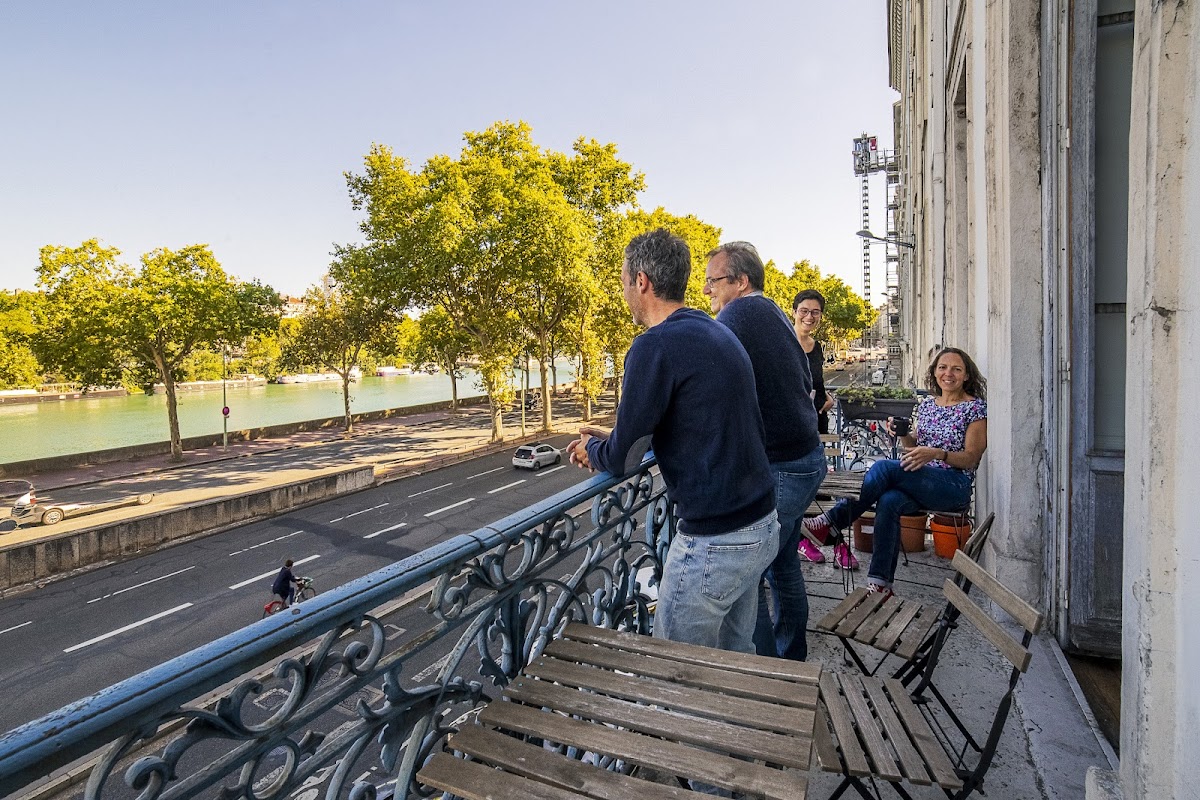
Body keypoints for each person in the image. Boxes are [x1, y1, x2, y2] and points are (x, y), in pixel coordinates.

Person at [567, 228, 778, 654]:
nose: (624, 292)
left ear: (641, 281)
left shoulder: (654, 346)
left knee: (674, 669)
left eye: (624, 282)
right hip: (760, 524)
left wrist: (593, 450)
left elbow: (623, 459)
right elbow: (695, 419)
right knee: (735, 656)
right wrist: (620, 436)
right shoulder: (714, 331)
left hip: (715, 541)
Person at [703, 242, 829, 661]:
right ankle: (791, 658)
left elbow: (700, 381)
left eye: (713, 280)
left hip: (784, 468)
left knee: (747, 572)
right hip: (804, 460)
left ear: (740, 281)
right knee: (782, 565)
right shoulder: (770, 309)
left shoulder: (737, 314)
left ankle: (766, 670)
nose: (706, 290)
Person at [804, 347, 988, 597]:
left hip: (954, 486)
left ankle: (831, 521)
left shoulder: (975, 408)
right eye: (943, 368)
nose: (948, 374)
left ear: (966, 375)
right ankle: (880, 584)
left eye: (956, 369)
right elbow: (914, 448)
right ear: (934, 372)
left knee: (882, 467)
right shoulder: (928, 406)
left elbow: (971, 458)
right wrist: (903, 434)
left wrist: (938, 454)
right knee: (889, 500)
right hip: (922, 480)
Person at [792, 289, 835, 434]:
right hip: (791, 423)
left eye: (815, 312)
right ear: (794, 312)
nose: (809, 316)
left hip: (818, 420)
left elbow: (816, 381)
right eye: (804, 311)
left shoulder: (816, 347)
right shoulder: (782, 343)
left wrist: (827, 398)